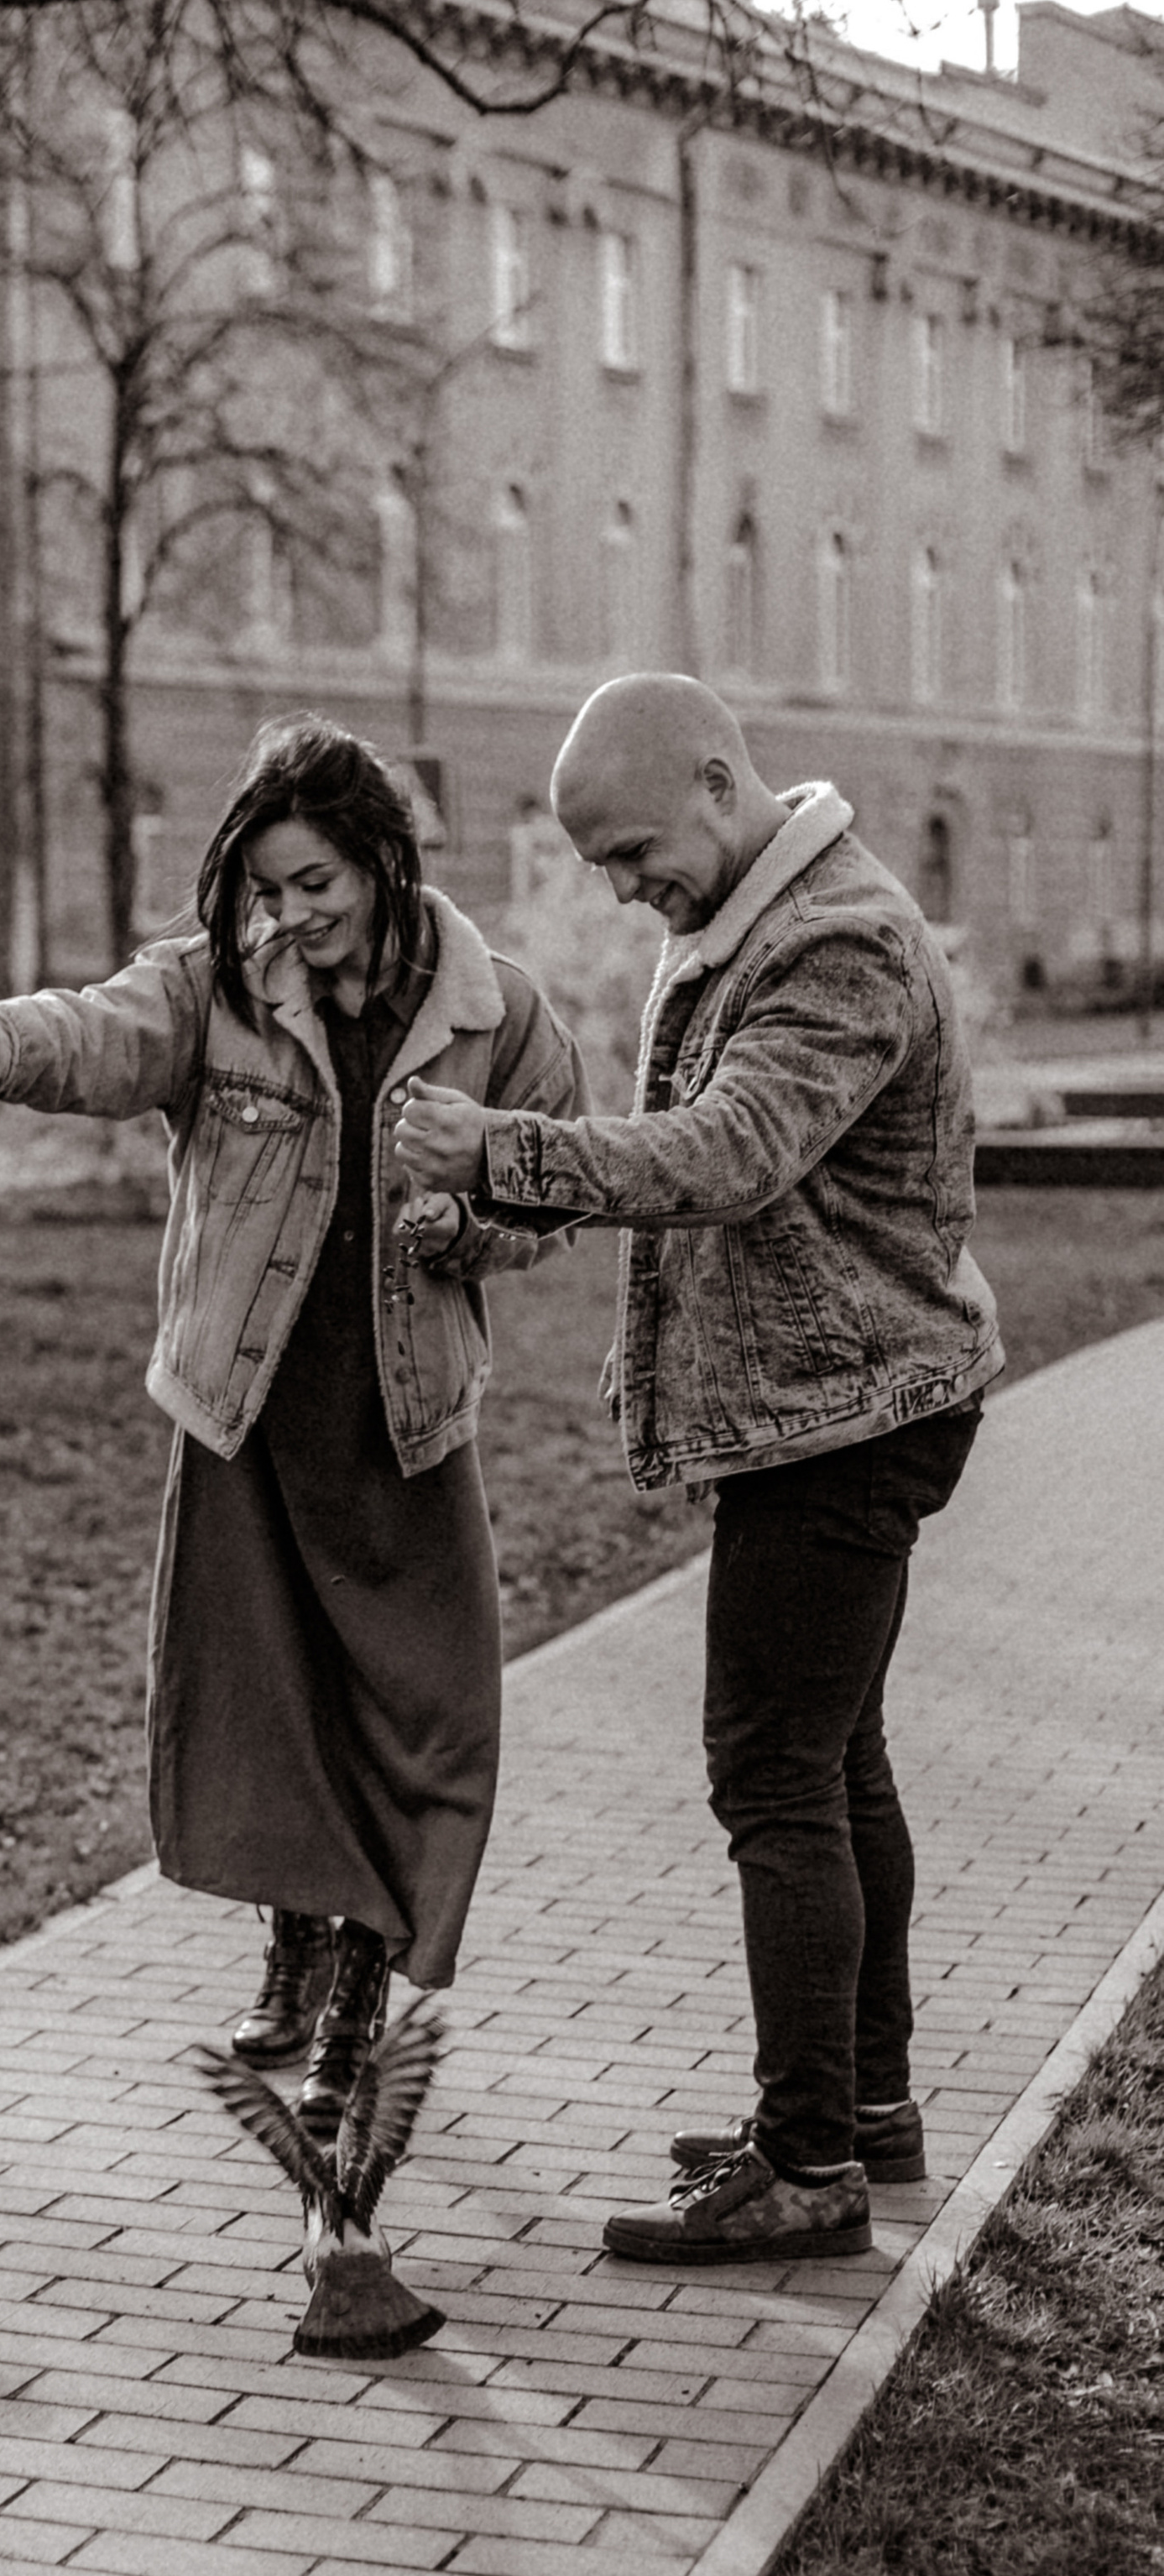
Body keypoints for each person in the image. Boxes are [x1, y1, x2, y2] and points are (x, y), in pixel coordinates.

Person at [0, 713, 586, 2129]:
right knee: (271, 1712)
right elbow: (103, 1029)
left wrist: (476, 1231)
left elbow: (560, 1185)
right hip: (249, 1415)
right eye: (270, 888)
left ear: (385, 863)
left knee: (420, 1721)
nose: (290, 916)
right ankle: (301, 1953)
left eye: (315, 883)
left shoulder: (496, 1013)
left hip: (402, 1425)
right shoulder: (225, 990)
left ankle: (358, 1985)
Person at [394, 672, 1004, 2265]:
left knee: (775, 1776)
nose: (621, 886)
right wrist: (491, 1220)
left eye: (634, 849)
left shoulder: (840, 942)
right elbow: (681, 1165)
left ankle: (807, 2169)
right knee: (834, 1759)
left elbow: (727, 1158)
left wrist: (498, 1148)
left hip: (854, 1411)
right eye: (599, 865)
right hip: (826, 1404)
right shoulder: (747, 924)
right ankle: (863, 2112)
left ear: (724, 787)